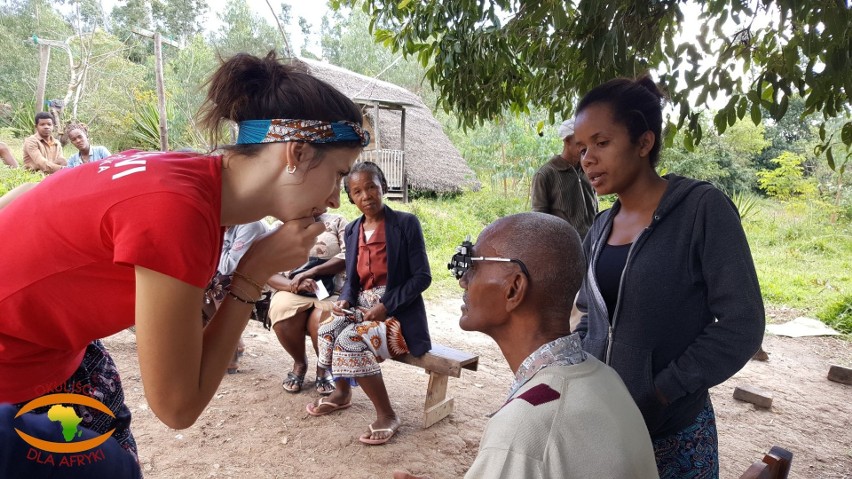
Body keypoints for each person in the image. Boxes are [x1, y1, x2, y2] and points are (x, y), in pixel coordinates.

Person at [0, 51, 369, 474]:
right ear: (297, 155)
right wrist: (252, 273)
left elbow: (20, 198)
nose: (336, 199)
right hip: (13, 368)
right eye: (340, 174)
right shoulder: (179, 213)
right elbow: (177, 407)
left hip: (61, 350)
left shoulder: (183, 169)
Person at [573, 76, 765, 478]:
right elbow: (593, 318)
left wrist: (661, 391)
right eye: (582, 146)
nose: (587, 158)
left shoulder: (701, 211)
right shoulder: (600, 226)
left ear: (644, 143)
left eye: (601, 143)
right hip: (604, 427)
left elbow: (741, 324)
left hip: (672, 434)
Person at [396, 213, 658, 479]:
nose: (464, 280)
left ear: (514, 288)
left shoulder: (524, 426)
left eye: (473, 265)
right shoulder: (604, 376)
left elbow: (531, 449)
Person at [306, 161, 431, 446]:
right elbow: (351, 279)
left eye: (372, 187)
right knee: (326, 330)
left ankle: (387, 415)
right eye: (358, 191)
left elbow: (422, 277)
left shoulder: (405, 224)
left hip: (396, 314)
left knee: (350, 341)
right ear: (351, 197)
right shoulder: (352, 230)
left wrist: (385, 306)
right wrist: (345, 300)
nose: (366, 196)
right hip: (361, 309)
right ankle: (341, 394)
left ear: (383, 187)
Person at [268, 212, 348, 395]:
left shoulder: (337, 221)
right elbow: (268, 269)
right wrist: (294, 284)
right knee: (282, 310)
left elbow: (350, 255)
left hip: (332, 291)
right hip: (292, 289)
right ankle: (300, 362)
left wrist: (312, 272)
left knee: (322, 321)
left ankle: (323, 367)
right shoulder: (277, 227)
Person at [203, 221, 269, 373]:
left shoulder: (249, 225)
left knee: (220, 283)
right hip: (241, 275)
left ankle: (229, 354)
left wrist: (217, 243)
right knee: (200, 284)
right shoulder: (225, 226)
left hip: (263, 279)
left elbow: (226, 266)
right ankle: (232, 343)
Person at [530, 119, 598, 239]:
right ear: (567, 141)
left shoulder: (587, 169)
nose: (585, 148)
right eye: (579, 143)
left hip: (594, 243)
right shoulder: (546, 174)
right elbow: (539, 220)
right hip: (566, 247)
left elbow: (595, 207)